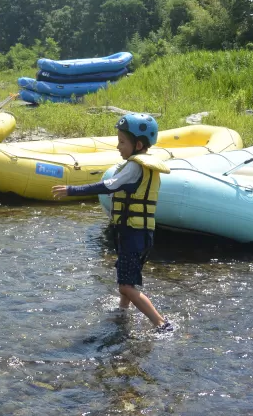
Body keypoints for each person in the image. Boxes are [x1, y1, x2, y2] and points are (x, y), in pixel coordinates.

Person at [52, 113, 173, 333]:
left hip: (133, 234)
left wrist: (72, 190)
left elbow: (108, 186)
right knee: (126, 277)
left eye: (122, 142)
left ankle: (162, 324)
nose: (118, 146)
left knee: (127, 286)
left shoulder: (135, 167)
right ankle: (123, 312)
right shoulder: (142, 166)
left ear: (137, 144)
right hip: (139, 233)